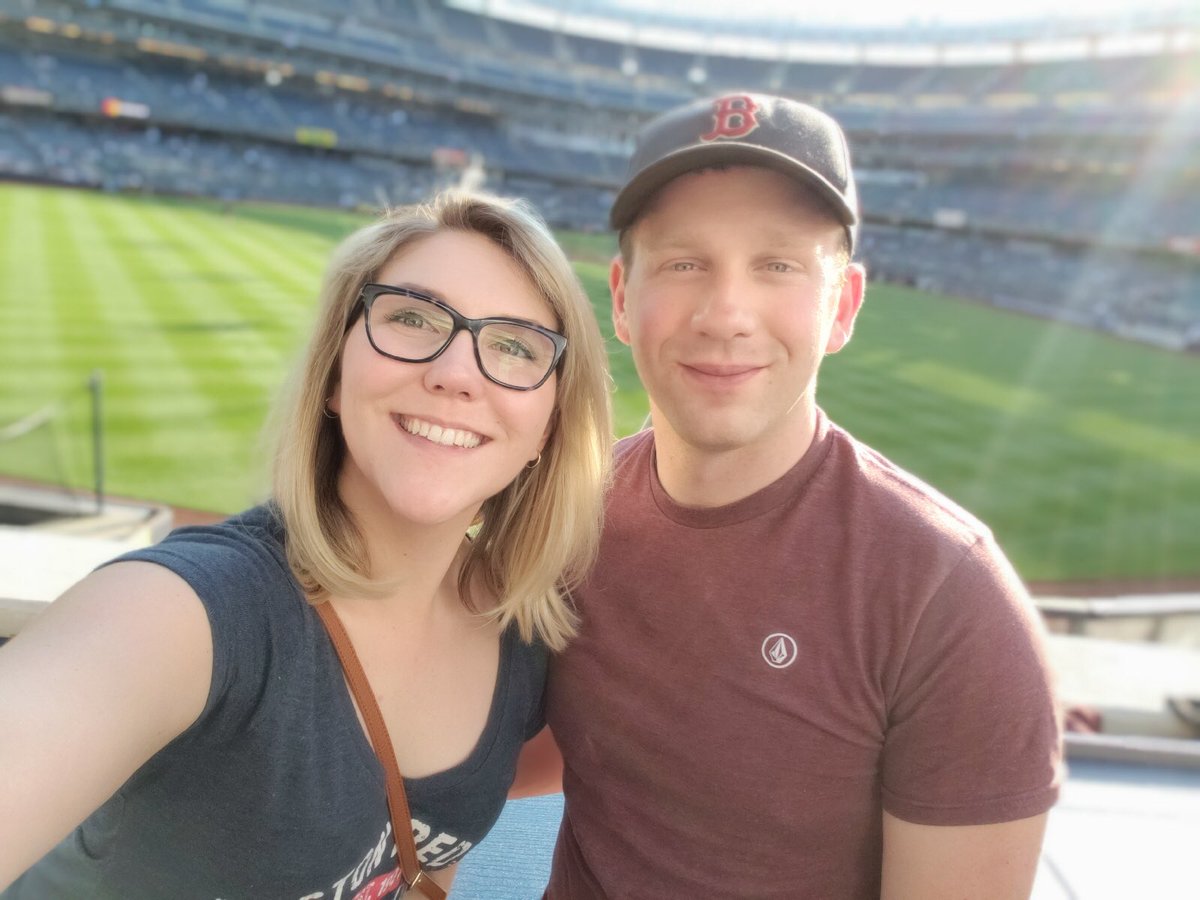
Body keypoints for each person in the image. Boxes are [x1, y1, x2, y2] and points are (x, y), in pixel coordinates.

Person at [0, 190, 611, 898]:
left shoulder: (521, 632)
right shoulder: (185, 614)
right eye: (412, 317)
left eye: (514, 346)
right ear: (333, 373)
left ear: (548, 427)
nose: (455, 373)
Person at [530, 93, 1062, 898]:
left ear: (842, 306)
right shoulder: (565, 516)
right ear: (622, 298)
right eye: (683, 262)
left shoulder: (950, 598)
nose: (725, 314)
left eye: (777, 265)